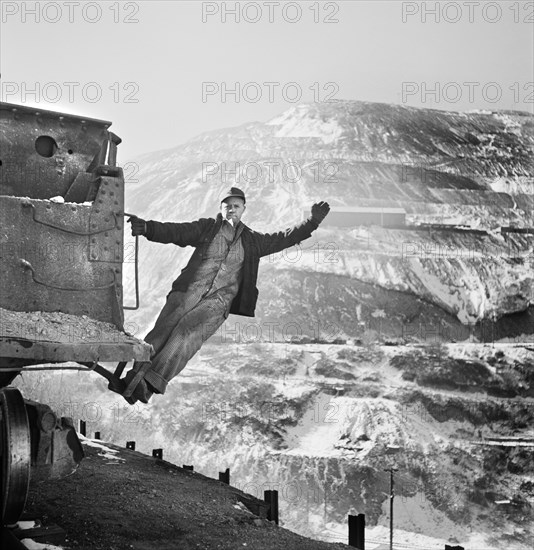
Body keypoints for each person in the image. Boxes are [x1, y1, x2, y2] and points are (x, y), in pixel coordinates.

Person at [116, 187, 330, 404]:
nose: (232, 210)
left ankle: (149, 384)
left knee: (186, 333)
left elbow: (283, 239)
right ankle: (136, 377)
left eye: (236, 206)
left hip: (217, 303)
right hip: (189, 290)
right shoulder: (207, 228)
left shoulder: (253, 241)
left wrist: (311, 223)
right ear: (221, 208)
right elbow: (177, 232)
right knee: (163, 330)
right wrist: (148, 228)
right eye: (228, 206)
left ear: (244, 209)